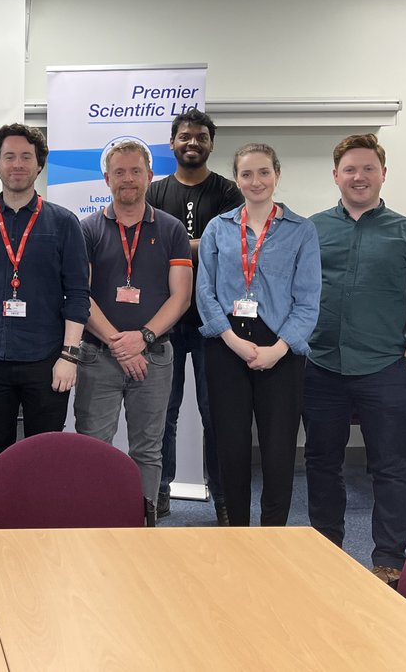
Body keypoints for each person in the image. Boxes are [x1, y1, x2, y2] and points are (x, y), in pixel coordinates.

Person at [306, 133, 406, 585]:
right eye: (350, 169)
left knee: (393, 468)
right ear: (336, 175)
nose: (358, 177)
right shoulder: (312, 229)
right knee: (322, 463)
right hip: (321, 365)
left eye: (368, 168)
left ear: (383, 173)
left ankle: (389, 562)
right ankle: (325, 549)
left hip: (385, 369)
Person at [0, 123, 90, 497]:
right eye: (8, 156)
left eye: (26, 157)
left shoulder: (63, 223)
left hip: (47, 360)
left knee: (45, 449)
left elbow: (78, 295)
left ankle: (40, 521)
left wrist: (69, 356)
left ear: (39, 165)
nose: (17, 164)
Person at [197, 143, 320, 528]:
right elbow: (206, 291)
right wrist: (231, 341)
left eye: (264, 172)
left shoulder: (302, 231)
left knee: (278, 449)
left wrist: (278, 350)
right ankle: (236, 532)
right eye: (247, 174)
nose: (256, 181)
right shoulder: (218, 228)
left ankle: (273, 534)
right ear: (236, 179)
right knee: (230, 447)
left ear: (277, 175)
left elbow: (308, 300)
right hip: (227, 345)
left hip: (281, 348)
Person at [75, 141, 192, 525]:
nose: (128, 179)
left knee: (148, 450)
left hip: (154, 357)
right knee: (93, 448)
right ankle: (94, 524)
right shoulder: (87, 229)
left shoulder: (172, 229)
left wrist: (142, 338)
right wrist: (117, 343)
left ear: (149, 175)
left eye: (136, 171)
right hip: (98, 357)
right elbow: (82, 296)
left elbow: (181, 297)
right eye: (120, 172)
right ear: (107, 178)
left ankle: (141, 528)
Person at [147, 109, 240, 524]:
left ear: (210, 144)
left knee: (214, 413)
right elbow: (147, 247)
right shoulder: (154, 192)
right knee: (161, 413)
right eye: (185, 136)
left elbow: (230, 245)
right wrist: (198, 244)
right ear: (172, 143)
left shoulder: (228, 192)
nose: (192, 143)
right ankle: (160, 492)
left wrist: (176, 245)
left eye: (201, 137)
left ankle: (223, 496)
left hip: (215, 321)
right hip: (164, 318)